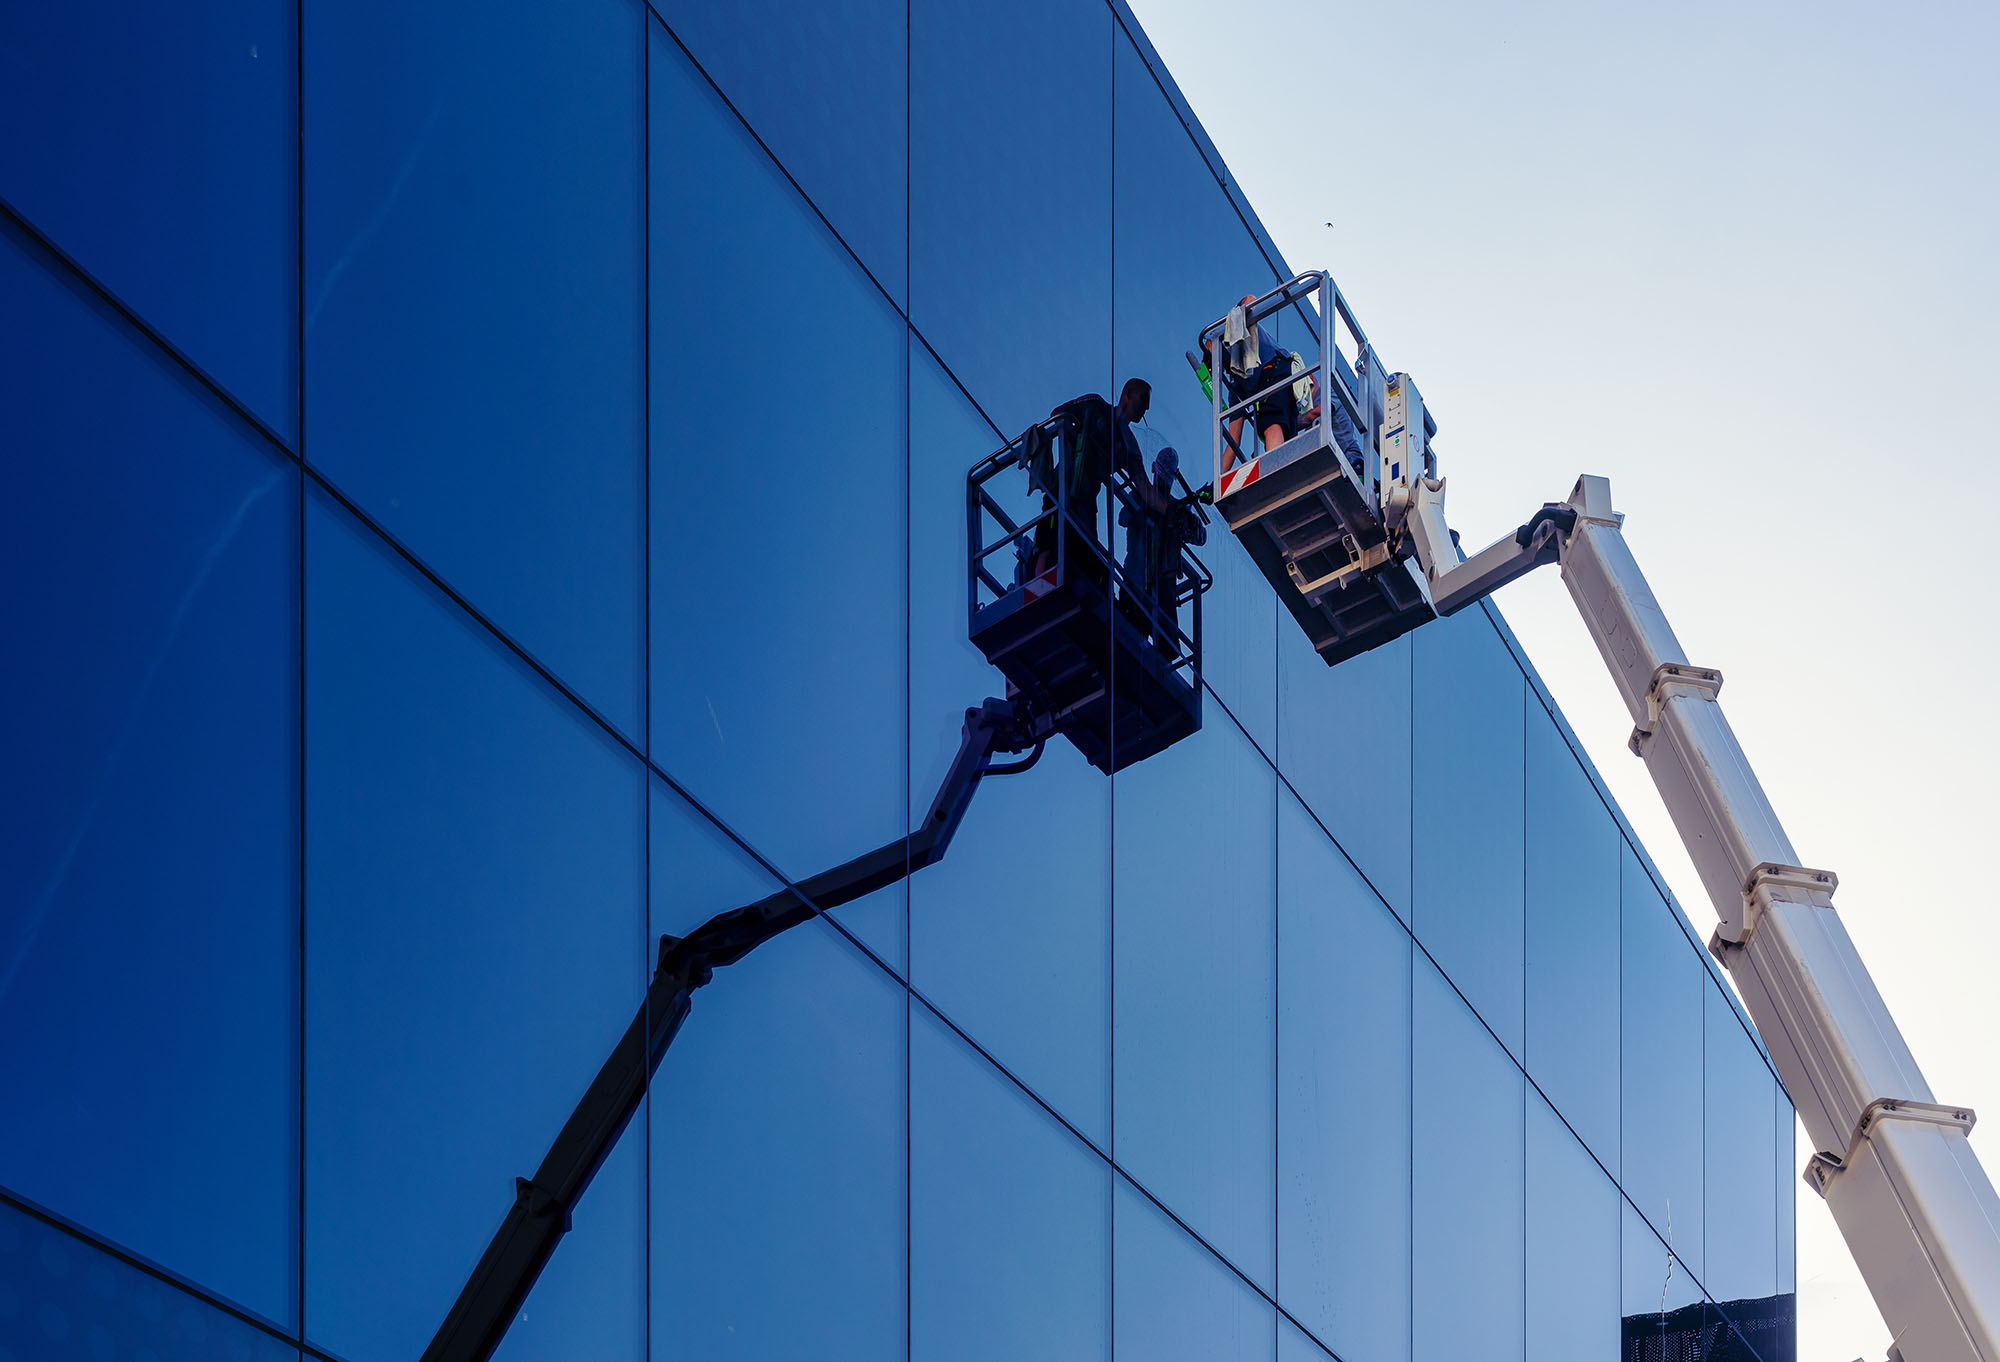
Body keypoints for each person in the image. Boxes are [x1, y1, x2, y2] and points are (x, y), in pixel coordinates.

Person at [1118, 446, 1207, 648]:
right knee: (1128, 633)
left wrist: (1185, 515)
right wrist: (1146, 512)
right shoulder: (1141, 495)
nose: (1162, 480)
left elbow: (1200, 536)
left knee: (1165, 645)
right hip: (1138, 575)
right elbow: (1123, 518)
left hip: (1161, 581)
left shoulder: (1177, 509)